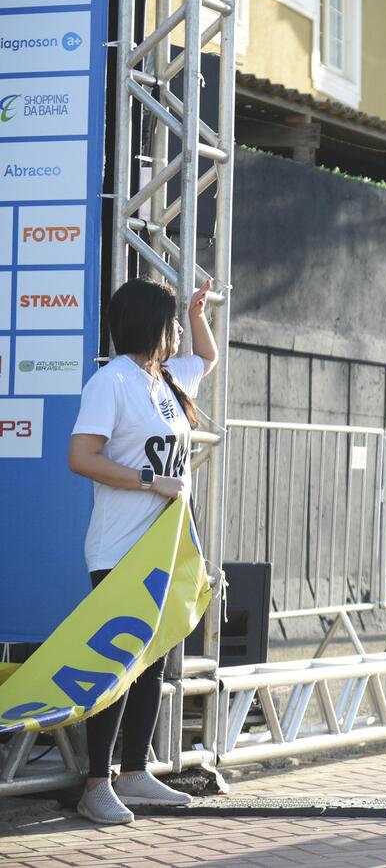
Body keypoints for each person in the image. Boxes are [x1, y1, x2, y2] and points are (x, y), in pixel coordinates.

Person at [67, 277, 218, 823]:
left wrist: (199, 312)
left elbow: (208, 356)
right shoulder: (112, 382)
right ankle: (95, 783)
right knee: (116, 667)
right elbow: (81, 457)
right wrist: (149, 479)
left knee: (152, 663)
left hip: (163, 549)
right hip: (119, 550)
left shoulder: (168, 379)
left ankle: (134, 774)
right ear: (150, 326)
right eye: (173, 320)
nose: (179, 329)